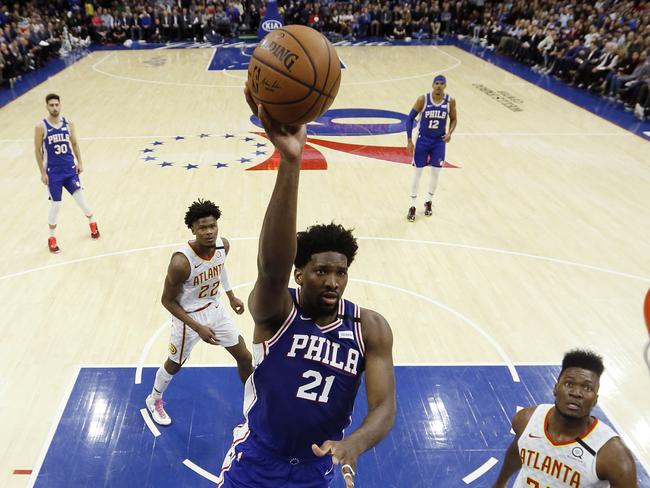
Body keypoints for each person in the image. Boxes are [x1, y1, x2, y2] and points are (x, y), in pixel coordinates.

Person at [216, 86, 396, 487]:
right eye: (321, 272)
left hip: (315, 470)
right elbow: (271, 267)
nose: (333, 281)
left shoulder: (370, 329)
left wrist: (356, 443)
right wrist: (290, 162)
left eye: (341, 272)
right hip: (256, 462)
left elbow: (384, 406)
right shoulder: (278, 311)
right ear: (300, 274)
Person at [146, 199, 253, 426]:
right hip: (187, 318)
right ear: (193, 229)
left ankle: (253, 404)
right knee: (175, 364)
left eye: (212, 226)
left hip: (214, 309)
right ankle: (154, 398)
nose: (208, 232)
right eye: (202, 227)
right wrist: (198, 328)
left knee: (244, 357)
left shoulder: (223, 246)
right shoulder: (181, 262)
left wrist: (231, 295)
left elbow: (219, 267)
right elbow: (167, 300)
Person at [492, 349, 639, 488]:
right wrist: (501, 483)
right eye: (569, 384)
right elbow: (518, 450)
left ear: (595, 399)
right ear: (556, 388)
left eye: (587, 388)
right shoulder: (526, 420)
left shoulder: (612, 455)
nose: (576, 393)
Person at [34, 93, 99, 253]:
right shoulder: (41, 126)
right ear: (47, 107)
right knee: (55, 206)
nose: (55, 107)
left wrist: (80, 162)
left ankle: (93, 224)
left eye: (57, 105)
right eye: (51, 105)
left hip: (70, 171)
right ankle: (52, 237)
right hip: (53, 174)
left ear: (60, 105)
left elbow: (75, 143)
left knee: (82, 202)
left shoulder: (68, 123)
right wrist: (42, 172)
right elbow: (37, 150)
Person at [405, 75, 457, 222]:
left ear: (445, 86)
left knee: (436, 173)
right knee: (417, 173)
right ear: (433, 85)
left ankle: (428, 201)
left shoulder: (450, 102)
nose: (439, 86)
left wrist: (450, 133)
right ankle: (412, 205)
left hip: (439, 142)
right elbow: (409, 119)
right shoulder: (423, 99)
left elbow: (454, 118)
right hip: (423, 140)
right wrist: (409, 140)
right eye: (437, 83)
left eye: (442, 84)